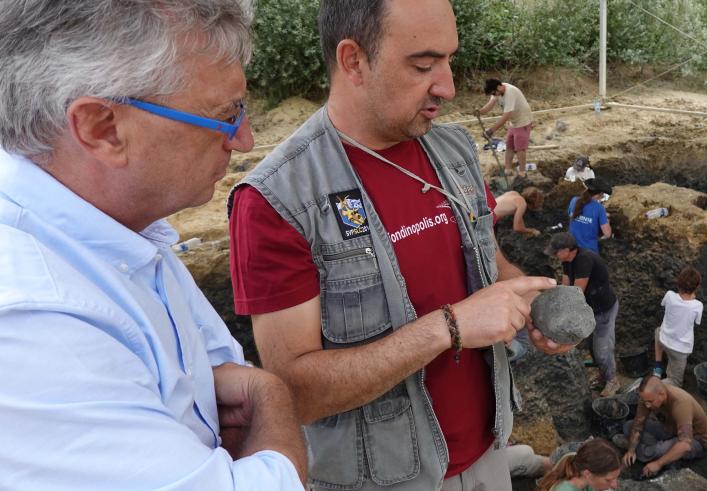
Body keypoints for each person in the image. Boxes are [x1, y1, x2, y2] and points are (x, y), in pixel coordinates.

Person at [227, 1, 569, 489]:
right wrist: (448, 327)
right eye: (423, 65)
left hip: (487, 453)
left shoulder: (453, 151)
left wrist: (528, 301)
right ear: (353, 61)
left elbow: (487, 257)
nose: (447, 87)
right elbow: (296, 393)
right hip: (385, 478)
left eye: (449, 61)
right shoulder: (277, 199)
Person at [0, 2, 308, 489]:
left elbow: (220, 367)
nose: (245, 139)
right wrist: (273, 396)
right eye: (226, 115)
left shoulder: (120, 225)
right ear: (102, 128)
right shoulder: (30, 320)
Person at [546, 232, 620, 397]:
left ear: (566, 250)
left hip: (604, 310)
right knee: (594, 347)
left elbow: (577, 292)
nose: (555, 255)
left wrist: (563, 315)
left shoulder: (584, 260)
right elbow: (566, 287)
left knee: (602, 349)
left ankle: (613, 380)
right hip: (591, 310)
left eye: (556, 251)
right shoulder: (567, 261)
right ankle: (604, 375)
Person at [620, 376, 707, 478]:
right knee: (628, 426)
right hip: (670, 430)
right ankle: (666, 455)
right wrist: (631, 450)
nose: (648, 406)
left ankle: (656, 454)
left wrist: (658, 464)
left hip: (695, 441)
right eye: (645, 402)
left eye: (650, 402)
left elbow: (685, 445)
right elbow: (638, 425)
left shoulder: (681, 403)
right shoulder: (647, 397)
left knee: (653, 451)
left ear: (662, 394)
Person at [654, 267, 704, 386]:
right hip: (680, 350)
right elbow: (697, 322)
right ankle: (654, 386)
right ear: (696, 287)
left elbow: (664, 304)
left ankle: (657, 368)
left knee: (658, 331)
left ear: (678, 283)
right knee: (675, 382)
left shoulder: (669, 295)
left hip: (663, 341)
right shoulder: (697, 306)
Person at [477, 78, 534, 177]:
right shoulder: (496, 92)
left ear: (499, 87)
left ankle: (522, 172)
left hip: (523, 121)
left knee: (520, 149)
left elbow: (506, 116)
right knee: (509, 146)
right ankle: (507, 170)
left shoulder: (510, 92)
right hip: (514, 122)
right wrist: (480, 112)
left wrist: (491, 130)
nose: (494, 95)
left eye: (494, 93)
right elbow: (490, 105)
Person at [536, 438, 621, 491]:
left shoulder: (577, 464)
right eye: (608, 480)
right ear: (588, 474)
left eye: (616, 478)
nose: (615, 485)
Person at [567, 178, 612, 254]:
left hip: (571, 249)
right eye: (603, 194)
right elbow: (607, 234)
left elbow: (570, 215)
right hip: (589, 252)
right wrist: (607, 221)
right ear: (599, 194)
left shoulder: (574, 200)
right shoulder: (599, 208)